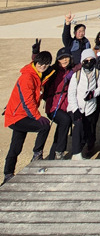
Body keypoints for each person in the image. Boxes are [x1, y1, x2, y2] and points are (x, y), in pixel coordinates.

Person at [3, 49, 55, 183]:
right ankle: (37, 154)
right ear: (35, 63)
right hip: (17, 116)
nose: (43, 66)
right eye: (40, 64)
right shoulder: (28, 77)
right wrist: (37, 117)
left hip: (22, 115)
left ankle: (8, 173)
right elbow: (27, 102)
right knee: (44, 126)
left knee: (16, 146)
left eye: (46, 64)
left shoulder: (37, 74)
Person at [67, 48, 100, 159]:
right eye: (86, 61)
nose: (89, 63)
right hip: (77, 108)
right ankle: (76, 153)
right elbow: (71, 93)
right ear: (82, 61)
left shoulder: (97, 73)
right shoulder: (76, 75)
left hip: (90, 108)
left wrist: (93, 93)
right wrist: (75, 109)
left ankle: (87, 147)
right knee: (78, 127)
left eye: (91, 60)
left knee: (89, 130)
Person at [43, 47, 76, 159]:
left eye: (66, 57)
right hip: (53, 106)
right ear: (57, 60)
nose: (64, 60)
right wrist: (35, 54)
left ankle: (53, 154)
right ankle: (59, 151)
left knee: (63, 125)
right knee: (65, 120)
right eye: (61, 58)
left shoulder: (72, 70)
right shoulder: (53, 71)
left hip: (66, 106)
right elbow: (40, 68)